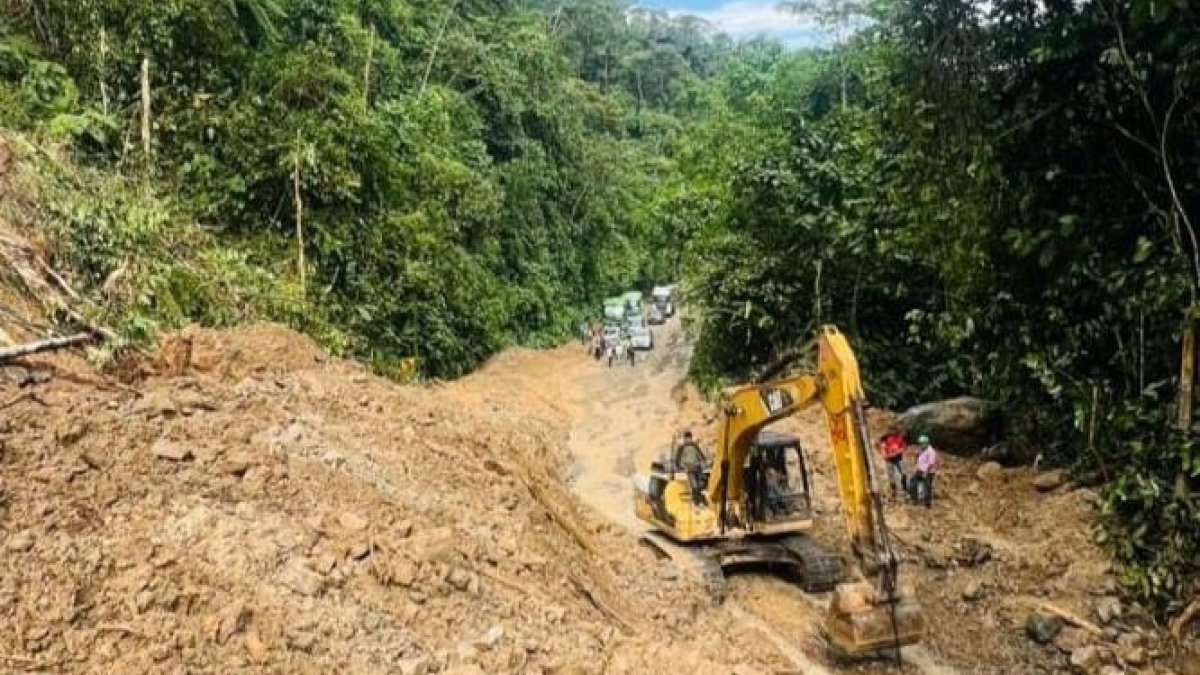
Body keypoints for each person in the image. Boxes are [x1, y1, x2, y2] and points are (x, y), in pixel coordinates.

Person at [675, 430, 707, 506]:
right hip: (689, 469)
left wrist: (703, 461)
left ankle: (700, 500)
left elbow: (701, 456)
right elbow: (677, 460)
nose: (688, 440)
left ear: (691, 438)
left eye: (689, 438)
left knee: (701, 484)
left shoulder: (694, 446)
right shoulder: (681, 447)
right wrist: (682, 467)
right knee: (694, 486)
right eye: (687, 438)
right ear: (684, 439)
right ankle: (696, 502)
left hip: (697, 468)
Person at [878, 429, 908, 497]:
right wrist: (885, 454)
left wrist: (897, 452)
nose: (892, 433)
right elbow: (882, 450)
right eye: (890, 432)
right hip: (889, 460)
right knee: (891, 476)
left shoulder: (899, 438)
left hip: (898, 458)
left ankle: (905, 488)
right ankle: (893, 491)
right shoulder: (884, 439)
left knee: (904, 473)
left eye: (893, 431)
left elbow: (903, 447)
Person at [913, 435, 939, 508]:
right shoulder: (921, 450)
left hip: (928, 472)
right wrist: (916, 456)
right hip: (920, 470)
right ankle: (916, 499)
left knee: (927, 487)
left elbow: (931, 464)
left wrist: (925, 472)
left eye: (922, 443)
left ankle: (927, 504)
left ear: (926, 443)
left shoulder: (931, 451)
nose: (920, 445)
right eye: (920, 443)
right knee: (913, 484)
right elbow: (918, 460)